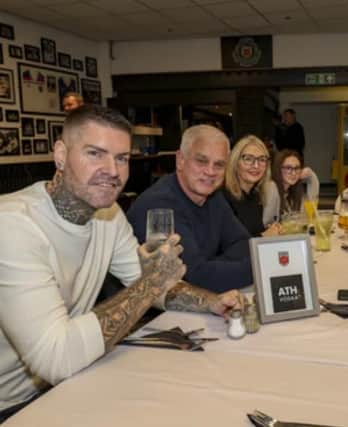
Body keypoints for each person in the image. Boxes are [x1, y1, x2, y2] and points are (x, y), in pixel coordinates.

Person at [0, 106, 242, 421]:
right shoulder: (13, 225)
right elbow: (56, 358)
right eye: (95, 153)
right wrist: (152, 282)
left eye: (121, 158)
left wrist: (211, 302)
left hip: (72, 380)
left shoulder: (108, 215)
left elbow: (152, 285)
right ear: (61, 154)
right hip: (14, 405)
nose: (112, 170)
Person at [127, 125, 254, 292]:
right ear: (180, 160)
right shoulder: (158, 205)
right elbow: (195, 278)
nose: (210, 171)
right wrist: (260, 266)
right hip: (153, 315)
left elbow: (243, 243)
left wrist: (211, 268)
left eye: (219, 165)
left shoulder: (213, 196)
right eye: (201, 161)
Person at [222, 135, 281, 237]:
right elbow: (229, 247)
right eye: (248, 159)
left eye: (262, 159)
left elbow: (254, 233)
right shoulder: (223, 197)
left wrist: (272, 230)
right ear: (235, 162)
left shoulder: (256, 195)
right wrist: (264, 236)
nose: (256, 166)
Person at [272, 149, 319, 216]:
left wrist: (311, 176)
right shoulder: (272, 190)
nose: (293, 173)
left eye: (297, 168)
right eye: (288, 168)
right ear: (278, 169)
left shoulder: (292, 192)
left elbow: (311, 209)